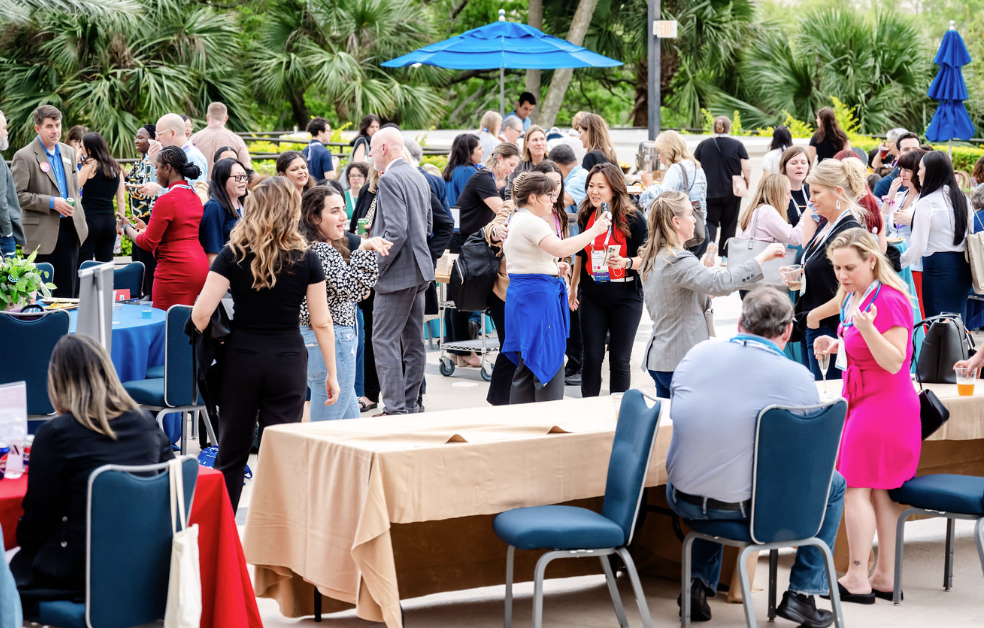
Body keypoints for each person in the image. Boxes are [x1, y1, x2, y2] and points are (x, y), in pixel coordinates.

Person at [666, 285, 843, 627]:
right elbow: (808, 455)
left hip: (683, 499)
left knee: (724, 463)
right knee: (832, 484)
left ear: (740, 323)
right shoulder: (796, 376)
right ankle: (803, 592)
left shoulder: (698, 354)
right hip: (745, 509)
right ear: (788, 331)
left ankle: (696, 582)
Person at [191, 177, 339, 511]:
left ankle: (223, 532)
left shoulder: (232, 254)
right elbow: (321, 322)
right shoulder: (307, 257)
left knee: (231, 454)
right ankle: (278, 533)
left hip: (241, 359)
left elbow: (201, 314)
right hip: (287, 360)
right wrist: (332, 373)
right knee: (282, 457)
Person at [11, 334, 173, 611]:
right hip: (147, 572)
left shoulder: (56, 435)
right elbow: (168, 486)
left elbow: (33, 530)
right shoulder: (146, 424)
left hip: (76, 577)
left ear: (57, 381)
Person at [811, 229, 919, 604]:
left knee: (855, 487)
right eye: (837, 267)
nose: (842, 275)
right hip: (864, 401)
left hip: (883, 406)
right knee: (877, 491)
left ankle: (857, 576)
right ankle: (884, 576)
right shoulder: (858, 295)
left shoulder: (889, 299)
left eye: (849, 267)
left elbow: (894, 361)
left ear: (871, 260)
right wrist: (839, 343)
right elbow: (866, 348)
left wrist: (868, 330)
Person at [641, 191, 785, 396]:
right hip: (680, 360)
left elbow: (671, 297)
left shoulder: (656, 256)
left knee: (670, 416)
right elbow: (721, 284)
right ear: (676, 222)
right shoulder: (678, 260)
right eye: (690, 214)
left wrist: (703, 295)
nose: (695, 220)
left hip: (660, 359)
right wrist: (762, 258)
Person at [502, 172, 610, 402]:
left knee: (526, 365)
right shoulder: (532, 222)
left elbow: (527, 258)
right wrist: (595, 231)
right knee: (546, 363)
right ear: (533, 197)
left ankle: (521, 420)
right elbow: (561, 248)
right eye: (549, 195)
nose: (554, 200)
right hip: (538, 298)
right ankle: (548, 418)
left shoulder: (515, 217)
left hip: (523, 296)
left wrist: (552, 266)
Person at [299, 186, 387, 420]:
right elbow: (355, 291)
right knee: (326, 426)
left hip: (324, 340)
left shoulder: (314, 248)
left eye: (343, 210)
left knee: (349, 423)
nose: (342, 217)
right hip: (333, 339)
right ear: (314, 217)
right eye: (334, 211)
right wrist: (365, 250)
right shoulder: (322, 251)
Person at [366, 127, 434, 415]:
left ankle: (395, 408)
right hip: (419, 270)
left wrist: (374, 268)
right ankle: (408, 404)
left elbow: (395, 232)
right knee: (414, 342)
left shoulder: (390, 178)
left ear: (383, 148)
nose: (370, 156)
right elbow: (427, 226)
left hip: (396, 273)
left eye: (371, 149)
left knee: (383, 340)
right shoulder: (418, 175)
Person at [569, 163, 649, 397]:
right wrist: (573, 287)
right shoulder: (587, 214)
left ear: (614, 189)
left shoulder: (633, 218)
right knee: (591, 357)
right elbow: (580, 253)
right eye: (591, 186)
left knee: (620, 359)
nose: (594, 191)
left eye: (601, 187)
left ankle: (618, 412)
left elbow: (647, 257)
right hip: (592, 293)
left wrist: (626, 262)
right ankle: (590, 410)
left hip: (626, 295)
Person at [793, 159, 865, 380]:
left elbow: (857, 290)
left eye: (816, 192)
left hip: (829, 327)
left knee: (828, 391)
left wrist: (815, 317)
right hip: (814, 324)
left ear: (837, 192)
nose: (811, 199)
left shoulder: (849, 231)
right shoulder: (827, 225)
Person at [11, 105, 87, 297]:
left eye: (58, 125)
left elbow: (74, 189)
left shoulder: (69, 152)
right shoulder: (24, 156)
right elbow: (18, 196)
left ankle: (66, 318)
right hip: (40, 236)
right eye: (49, 126)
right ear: (37, 128)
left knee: (68, 292)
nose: (55, 131)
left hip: (70, 229)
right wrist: (52, 202)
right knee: (41, 295)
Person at [120, 146, 208, 311]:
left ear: (167, 168)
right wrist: (147, 228)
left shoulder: (166, 200)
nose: (155, 173)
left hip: (175, 270)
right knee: (187, 321)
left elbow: (147, 243)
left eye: (156, 167)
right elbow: (177, 230)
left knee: (165, 320)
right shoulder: (194, 195)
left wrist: (126, 228)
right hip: (199, 267)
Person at [900, 151, 973, 319]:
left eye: (920, 169)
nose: (918, 173)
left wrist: (898, 263)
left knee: (937, 323)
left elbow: (918, 248)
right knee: (957, 322)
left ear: (931, 171)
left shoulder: (927, 202)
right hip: (963, 268)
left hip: (937, 268)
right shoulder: (962, 198)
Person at [693, 116, 749, 262]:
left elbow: (694, 165)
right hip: (731, 191)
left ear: (714, 128)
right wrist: (746, 180)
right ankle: (725, 256)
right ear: (729, 128)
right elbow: (746, 167)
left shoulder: (703, 145)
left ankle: (709, 245)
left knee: (710, 221)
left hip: (709, 190)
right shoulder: (737, 145)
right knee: (729, 223)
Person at [77, 132, 125, 264]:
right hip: (109, 222)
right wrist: (120, 224)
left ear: (89, 150)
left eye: (81, 147)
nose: (80, 150)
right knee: (105, 266)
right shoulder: (116, 166)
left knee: (82, 264)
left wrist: (76, 161)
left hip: (89, 220)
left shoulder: (90, 164)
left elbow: (75, 185)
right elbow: (121, 200)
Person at [140, 113, 208, 197]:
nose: (157, 138)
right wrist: (155, 162)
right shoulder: (172, 154)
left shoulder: (192, 156)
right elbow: (157, 185)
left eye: (159, 134)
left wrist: (160, 190)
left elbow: (193, 194)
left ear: (172, 133)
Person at [127, 124, 158, 295]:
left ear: (152, 140)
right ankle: (143, 293)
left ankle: (149, 294)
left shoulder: (151, 163)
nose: (136, 141)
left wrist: (130, 186)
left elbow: (146, 191)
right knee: (138, 259)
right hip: (139, 217)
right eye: (136, 137)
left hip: (148, 217)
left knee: (147, 260)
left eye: (141, 137)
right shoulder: (141, 162)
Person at [199, 158, 248, 264]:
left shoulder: (243, 204)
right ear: (222, 179)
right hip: (224, 270)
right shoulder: (214, 207)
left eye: (245, 176)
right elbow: (211, 253)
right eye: (237, 177)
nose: (243, 180)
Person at [737, 173, 802, 247]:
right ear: (777, 196)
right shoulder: (766, 211)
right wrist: (807, 214)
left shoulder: (754, 211)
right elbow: (794, 238)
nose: (790, 197)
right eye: (787, 193)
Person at [189, 102, 251, 172]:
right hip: (227, 179)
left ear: (207, 117)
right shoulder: (237, 140)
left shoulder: (193, 139)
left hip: (200, 179)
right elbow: (247, 169)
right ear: (226, 118)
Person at [0, 110, 24, 257]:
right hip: (3, 236)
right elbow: (0, 199)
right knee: (9, 272)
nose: (7, 132)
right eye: (4, 128)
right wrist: (7, 231)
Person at [872, 132, 921, 199]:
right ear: (898, 153)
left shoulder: (928, 179)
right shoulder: (885, 183)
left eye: (915, 149)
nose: (911, 153)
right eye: (906, 149)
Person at [505, 125, 548, 199]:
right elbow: (509, 193)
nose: (539, 143)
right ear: (526, 144)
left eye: (542, 139)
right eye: (535, 140)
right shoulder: (518, 166)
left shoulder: (554, 165)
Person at [442, 133, 482, 207]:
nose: (483, 151)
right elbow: (471, 201)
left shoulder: (450, 169)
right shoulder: (468, 171)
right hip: (463, 213)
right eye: (479, 149)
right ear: (469, 152)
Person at [780, 146, 811, 226]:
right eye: (794, 163)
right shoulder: (778, 193)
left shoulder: (813, 190)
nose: (799, 166)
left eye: (803, 163)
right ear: (784, 166)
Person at [304, 117, 336, 182]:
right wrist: (334, 165)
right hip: (321, 187)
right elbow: (330, 179)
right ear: (320, 132)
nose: (330, 134)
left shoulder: (305, 150)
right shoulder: (325, 152)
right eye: (328, 131)